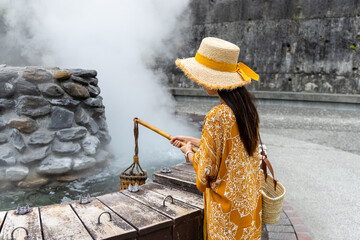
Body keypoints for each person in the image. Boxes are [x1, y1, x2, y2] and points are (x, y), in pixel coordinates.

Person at [170, 37, 262, 239]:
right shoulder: (247, 110)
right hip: (248, 206)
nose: (199, 80)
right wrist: (195, 141)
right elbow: (234, 150)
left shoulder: (216, 115)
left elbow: (206, 173)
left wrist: (188, 153)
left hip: (226, 211)